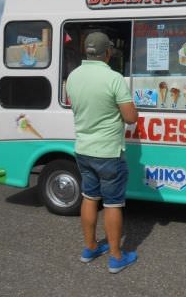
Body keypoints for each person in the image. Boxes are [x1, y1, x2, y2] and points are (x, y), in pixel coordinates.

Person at [66, 32, 138, 273]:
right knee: (113, 204)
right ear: (107, 52)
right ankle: (116, 256)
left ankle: (90, 248)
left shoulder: (73, 76)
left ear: (87, 51)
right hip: (108, 151)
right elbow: (130, 117)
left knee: (89, 198)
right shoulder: (114, 78)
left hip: (83, 149)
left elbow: (75, 106)